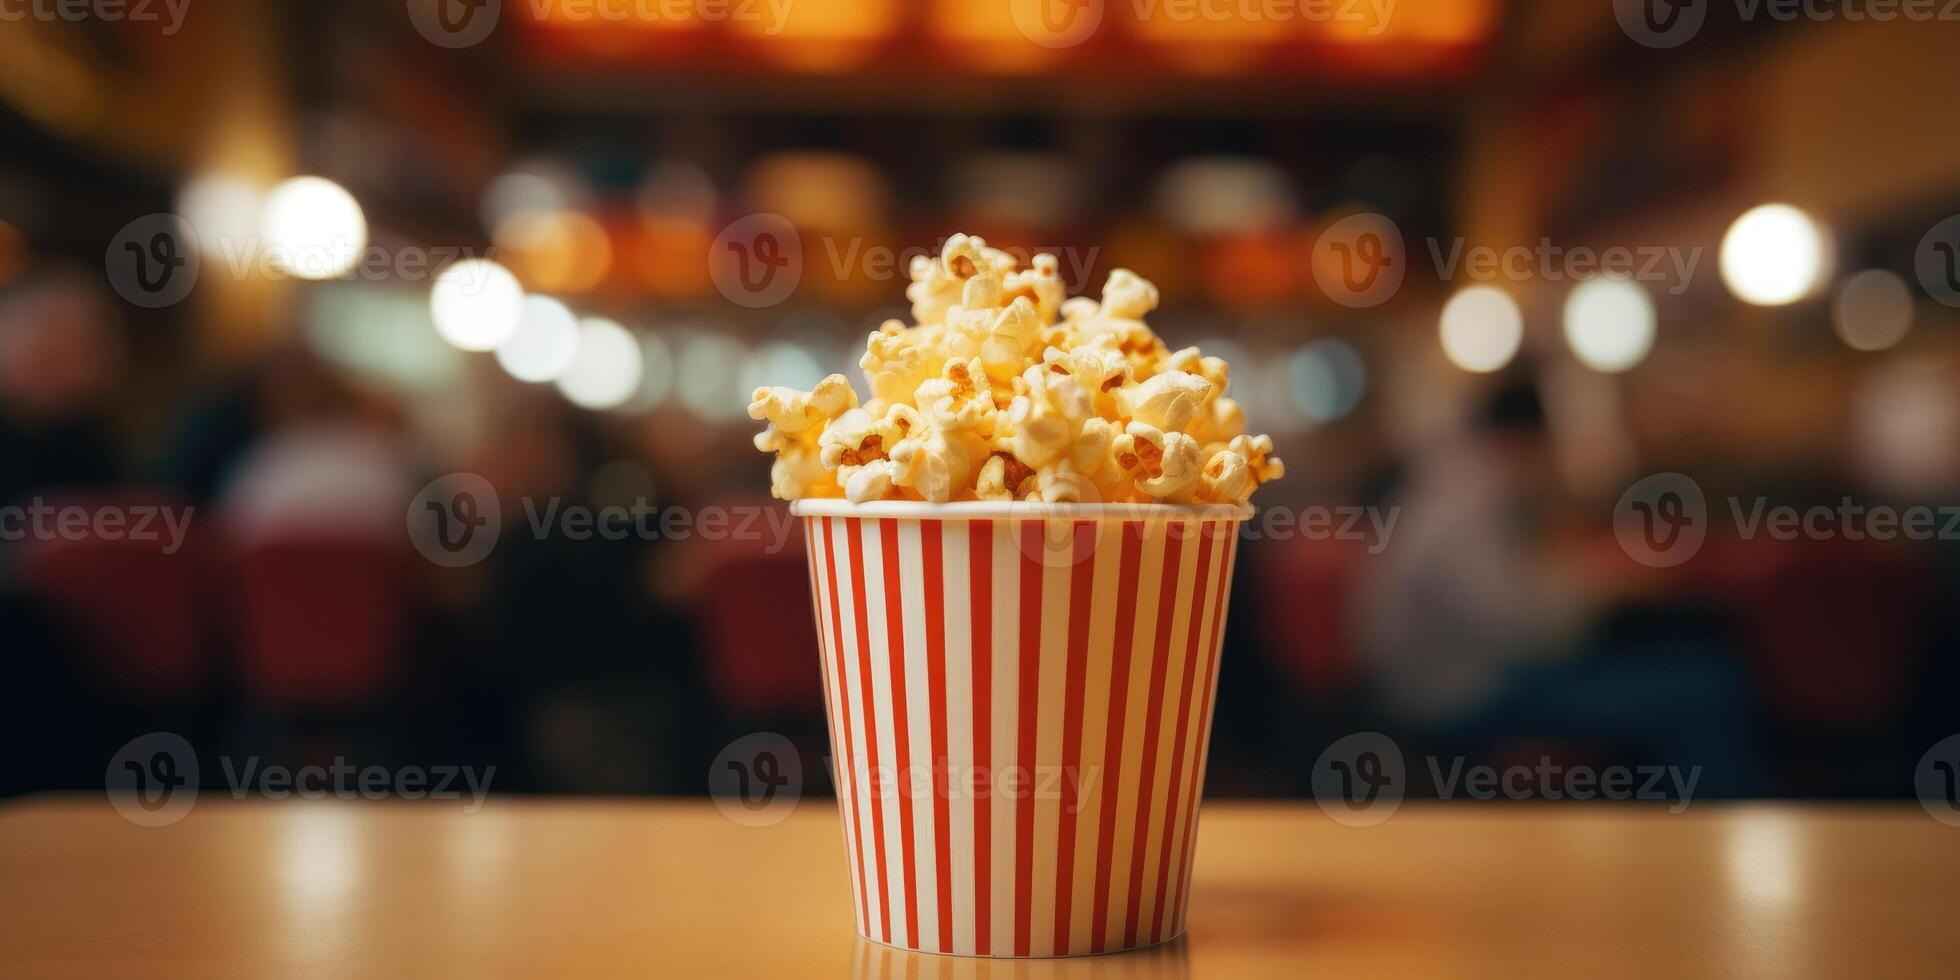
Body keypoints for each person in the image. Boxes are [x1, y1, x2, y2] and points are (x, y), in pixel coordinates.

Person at [1356, 376, 1761, 797]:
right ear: (1526, 440)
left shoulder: (1447, 488)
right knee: (1701, 688)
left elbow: (1507, 603)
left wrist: (1580, 576)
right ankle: (1723, 831)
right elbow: (1531, 633)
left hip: (1459, 678)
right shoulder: (1464, 506)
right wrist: (1599, 583)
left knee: (1682, 674)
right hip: (1457, 697)